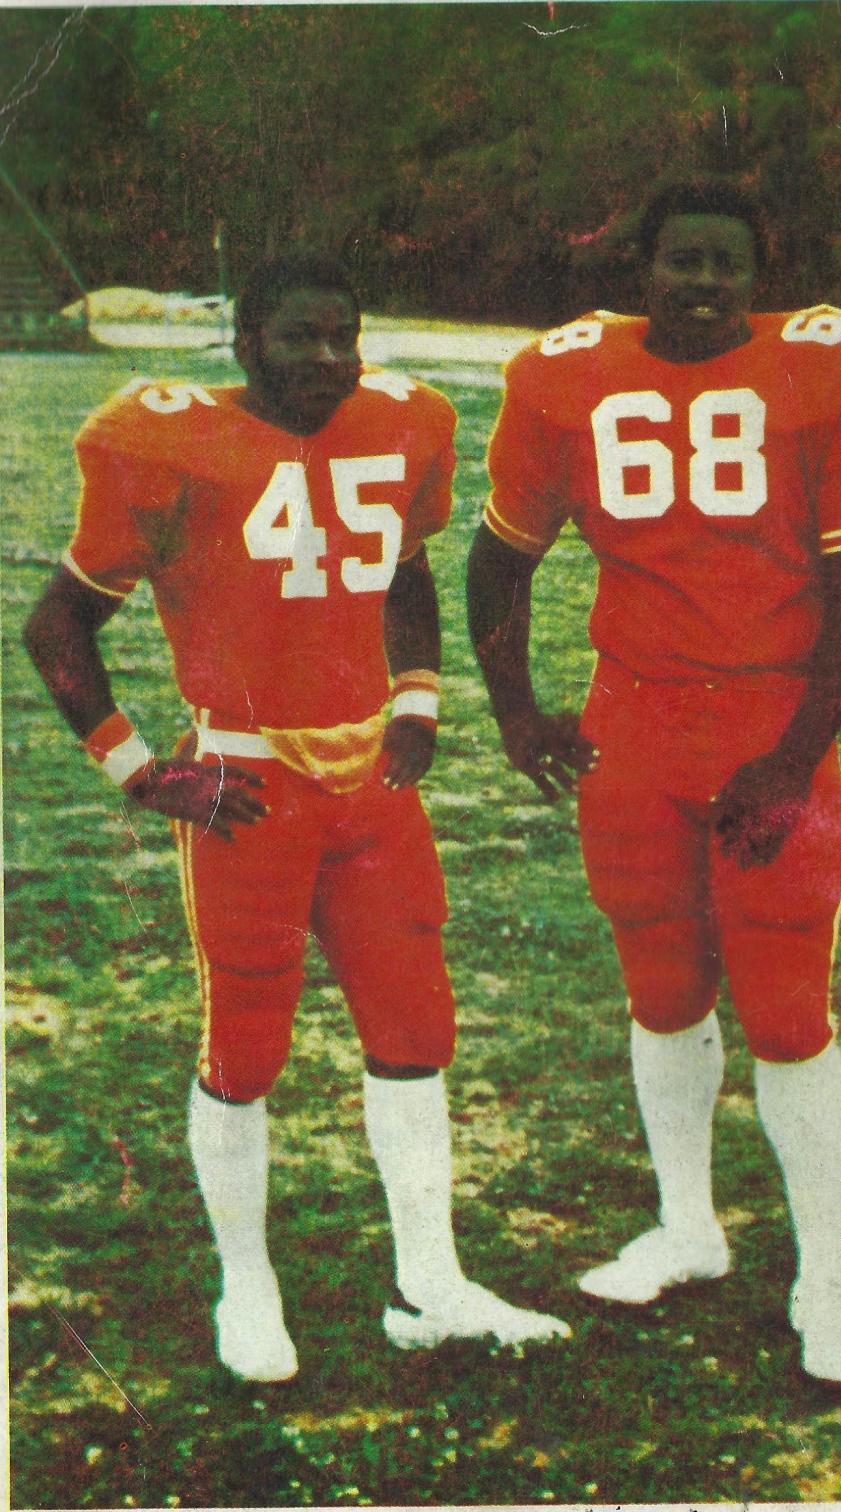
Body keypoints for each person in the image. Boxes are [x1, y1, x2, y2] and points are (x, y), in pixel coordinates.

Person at [24, 250, 570, 1383]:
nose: (327, 359)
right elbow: (57, 625)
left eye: (342, 337)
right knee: (248, 1046)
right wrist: (138, 770)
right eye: (298, 339)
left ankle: (430, 1282)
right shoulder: (165, 439)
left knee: (416, 1031)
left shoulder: (399, 424)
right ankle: (248, 1282)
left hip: (367, 781)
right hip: (245, 782)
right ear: (245, 345)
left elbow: (405, 567)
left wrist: (416, 697)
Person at [467, 176, 841, 1387]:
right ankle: (689, 1224)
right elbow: (498, 558)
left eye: (724, 263)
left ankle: (826, 1277)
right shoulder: (566, 377)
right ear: (644, 267)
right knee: (660, 986)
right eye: (681, 261)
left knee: (785, 1012)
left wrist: (792, 755)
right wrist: (516, 709)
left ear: (758, 278)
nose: (701, 283)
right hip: (633, 719)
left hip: (770, 714)